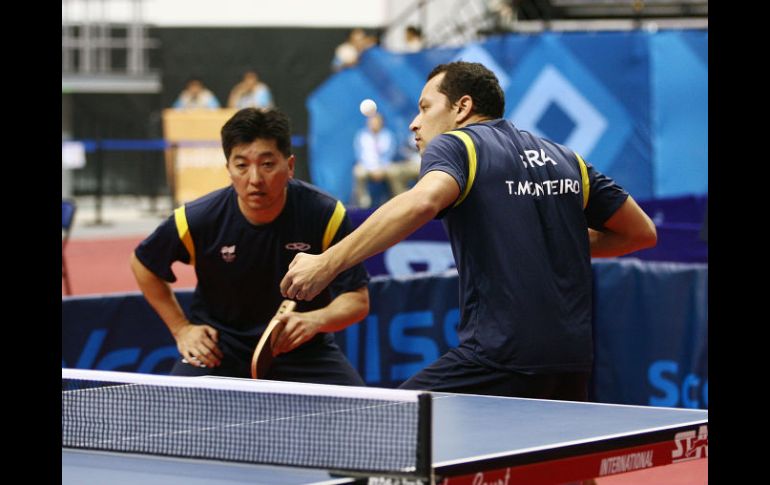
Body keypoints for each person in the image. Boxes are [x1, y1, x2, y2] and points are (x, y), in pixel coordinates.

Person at [280, 61, 657, 400]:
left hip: (499, 355)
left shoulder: (458, 144)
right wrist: (549, 246)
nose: (415, 122)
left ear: (461, 108)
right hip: (570, 360)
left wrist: (327, 263)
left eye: (426, 107)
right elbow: (640, 233)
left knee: (387, 428)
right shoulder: (564, 157)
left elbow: (422, 201)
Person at [131, 108, 370, 385]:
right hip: (218, 350)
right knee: (174, 417)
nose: (255, 179)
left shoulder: (325, 215)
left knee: (364, 415)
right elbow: (143, 264)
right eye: (242, 165)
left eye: (267, 164)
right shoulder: (197, 219)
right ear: (228, 169)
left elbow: (357, 300)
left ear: (290, 166)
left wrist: (315, 321)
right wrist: (182, 329)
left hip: (302, 348)